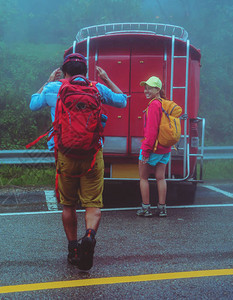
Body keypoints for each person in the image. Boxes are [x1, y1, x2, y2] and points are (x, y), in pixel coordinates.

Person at [30, 53, 127, 270]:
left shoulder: (53, 88)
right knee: (92, 204)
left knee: (68, 204)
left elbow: (32, 104)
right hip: (92, 155)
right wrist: (107, 79)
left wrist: (47, 81)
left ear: (64, 72)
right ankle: (90, 236)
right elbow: (122, 101)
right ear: (85, 72)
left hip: (64, 154)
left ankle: (73, 248)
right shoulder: (96, 89)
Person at [138, 76, 170, 217]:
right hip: (165, 148)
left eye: (150, 88)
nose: (146, 90)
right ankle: (162, 208)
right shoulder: (165, 103)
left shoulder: (154, 105)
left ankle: (146, 208)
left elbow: (151, 131)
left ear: (157, 89)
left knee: (143, 178)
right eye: (145, 87)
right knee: (160, 177)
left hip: (153, 148)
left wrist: (145, 150)